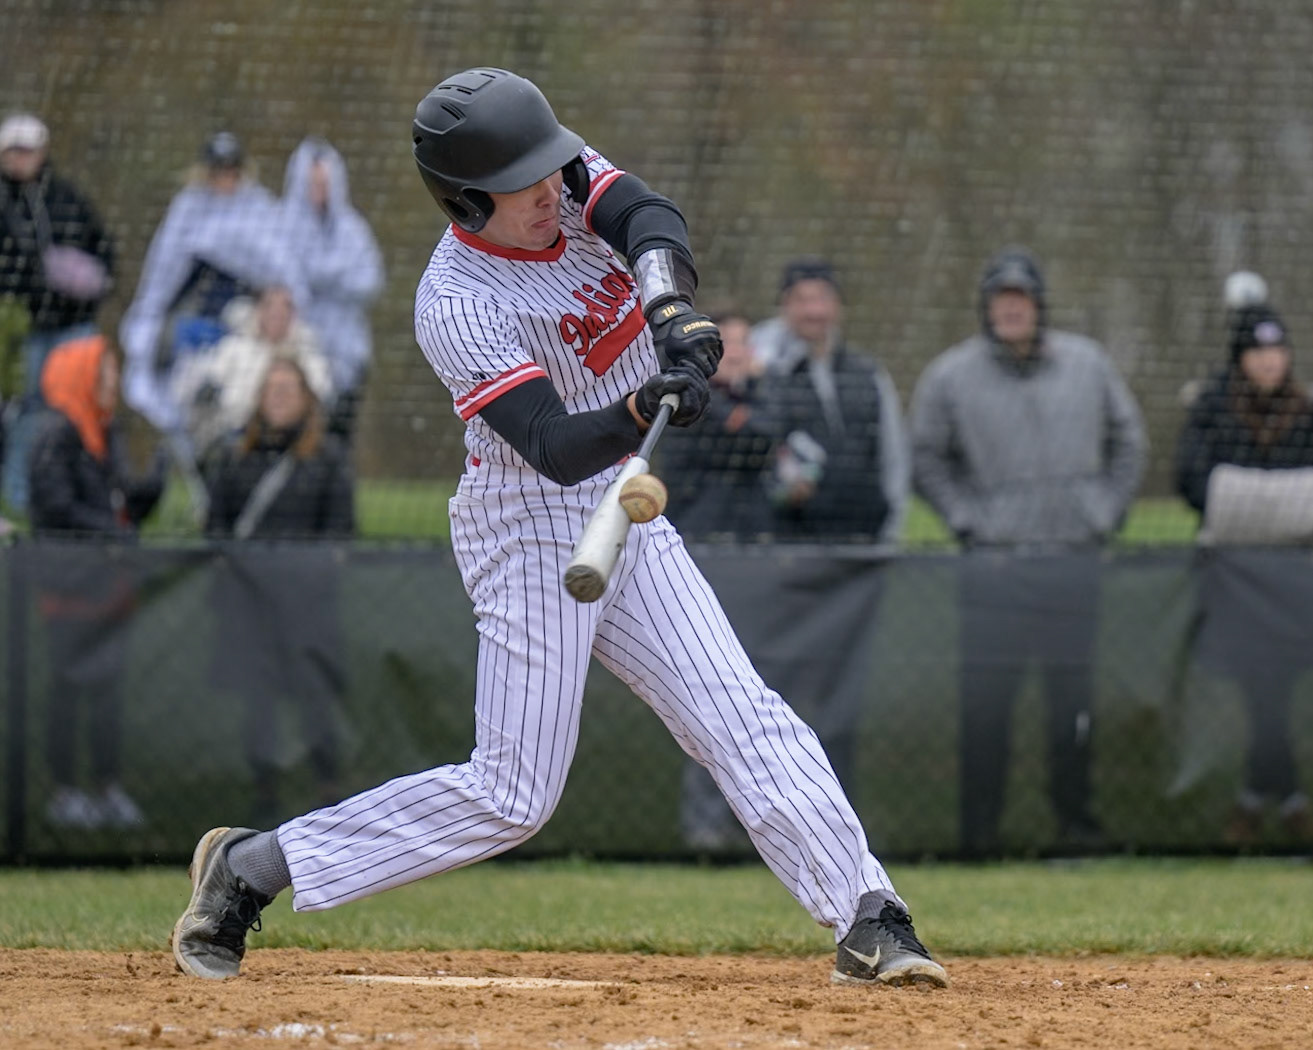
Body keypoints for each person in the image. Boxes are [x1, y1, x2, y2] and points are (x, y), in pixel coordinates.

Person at [171, 67, 948, 991]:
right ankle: (254, 867)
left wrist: (668, 310)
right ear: (466, 199)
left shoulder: (556, 178)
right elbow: (548, 443)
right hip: (528, 522)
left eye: (555, 169)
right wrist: (638, 405)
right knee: (513, 795)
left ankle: (868, 913)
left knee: (736, 710)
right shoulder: (455, 302)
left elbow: (649, 217)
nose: (555, 189)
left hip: (620, 503)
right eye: (526, 184)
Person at [910, 246, 1146, 855]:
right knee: (986, 707)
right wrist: (969, 520)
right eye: (1000, 299)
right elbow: (926, 459)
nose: (1011, 309)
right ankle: (979, 837)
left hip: (1073, 561)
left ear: (1039, 306)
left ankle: (1076, 829)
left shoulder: (1088, 364)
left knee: (1073, 706)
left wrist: (1102, 512)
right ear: (987, 308)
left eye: (1022, 299)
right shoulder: (950, 376)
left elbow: (1130, 441)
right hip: (994, 569)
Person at [1175, 297, 1313, 843]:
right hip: (1234, 581)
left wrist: (1240, 497)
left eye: (1277, 350)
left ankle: (1257, 799)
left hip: (1293, 582)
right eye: (1257, 351)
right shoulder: (1212, 409)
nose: (1268, 361)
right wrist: (1290, 503)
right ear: (1239, 359)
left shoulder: (1304, 413)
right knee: (1261, 686)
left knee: (1275, 687)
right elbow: (1194, 484)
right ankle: (1282, 799)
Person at [205, 358, 354, 826]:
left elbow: (340, 535)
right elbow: (217, 531)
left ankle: (329, 793)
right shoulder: (236, 458)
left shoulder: (327, 458)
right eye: (272, 389)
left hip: (307, 610)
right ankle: (263, 793)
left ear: (306, 397)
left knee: (314, 698)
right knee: (260, 705)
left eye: (289, 389)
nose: (280, 397)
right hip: (251, 610)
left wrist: (297, 575)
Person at [27, 335, 165, 829]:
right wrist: (113, 530)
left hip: (109, 590)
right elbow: (56, 505)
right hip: (70, 593)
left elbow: (118, 502)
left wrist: (152, 488)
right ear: (81, 375)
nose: (113, 382)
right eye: (104, 371)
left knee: (108, 694)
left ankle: (107, 788)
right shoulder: (57, 433)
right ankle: (64, 792)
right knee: (68, 691)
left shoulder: (104, 433)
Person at [119, 132, 306, 438]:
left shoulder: (260, 211)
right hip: (196, 320)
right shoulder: (187, 211)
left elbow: (284, 274)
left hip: (245, 324)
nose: (225, 180)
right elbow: (162, 274)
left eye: (231, 171)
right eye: (218, 171)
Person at [0, 112, 115, 512]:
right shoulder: (4, 207)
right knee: (27, 410)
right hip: (26, 330)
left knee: (80, 408)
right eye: (13, 150)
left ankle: (91, 489)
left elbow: (102, 248)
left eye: (27, 150)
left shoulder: (65, 198)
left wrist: (87, 285)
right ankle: (18, 497)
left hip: (73, 326)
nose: (20, 159)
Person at [756, 258, 908, 543]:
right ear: (784, 307)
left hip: (866, 540)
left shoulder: (869, 372)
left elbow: (894, 456)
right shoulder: (767, 373)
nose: (814, 311)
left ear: (838, 305)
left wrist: (892, 531)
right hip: (790, 547)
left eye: (822, 298)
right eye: (802, 300)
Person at [280, 137, 384, 443]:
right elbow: (283, 279)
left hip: (348, 350)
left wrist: (322, 277)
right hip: (297, 347)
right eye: (312, 183)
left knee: (338, 436)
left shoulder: (353, 229)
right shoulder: (281, 225)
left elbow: (370, 280)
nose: (319, 191)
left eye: (325, 183)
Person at [171, 284, 333, 464]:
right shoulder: (235, 346)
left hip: (294, 439)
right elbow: (206, 381)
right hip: (236, 435)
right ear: (259, 309)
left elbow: (322, 391)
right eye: (270, 306)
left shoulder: (308, 352)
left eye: (285, 307)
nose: (277, 314)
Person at [658, 308, 777, 539]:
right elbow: (757, 435)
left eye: (743, 343)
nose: (736, 355)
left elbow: (774, 428)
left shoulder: (750, 395)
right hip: (696, 534)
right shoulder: (685, 398)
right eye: (727, 343)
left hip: (751, 536)